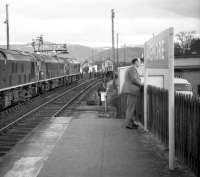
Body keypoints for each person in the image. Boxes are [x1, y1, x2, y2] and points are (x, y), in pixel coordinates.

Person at [122, 58, 142, 129]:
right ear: (136, 62)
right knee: (131, 107)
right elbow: (134, 79)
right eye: (139, 62)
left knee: (131, 107)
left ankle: (132, 122)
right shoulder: (132, 69)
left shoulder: (131, 69)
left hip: (131, 90)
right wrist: (141, 84)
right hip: (132, 91)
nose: (140, 63)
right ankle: (128, 124)